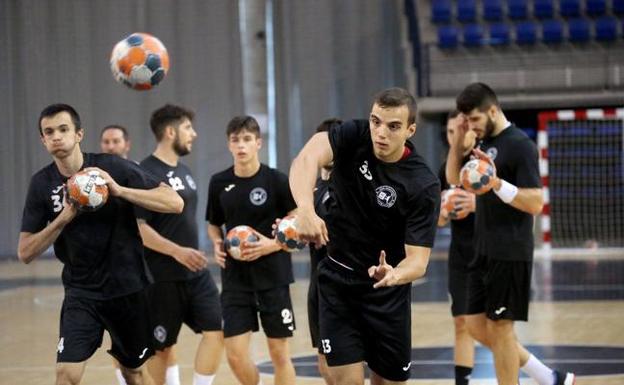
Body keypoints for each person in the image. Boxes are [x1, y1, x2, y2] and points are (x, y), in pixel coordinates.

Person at [18, 104, 184, 385]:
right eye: (49, 132)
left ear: (79, 134)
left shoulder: (111, 167)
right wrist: (62, 219)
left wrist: (120, 191)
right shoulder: (41, 184)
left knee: (134, 372)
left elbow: (174, 202)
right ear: (43, 141)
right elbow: (25, 252)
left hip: (127, 288)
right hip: (81, 292)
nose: (56, 136)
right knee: (66, 374)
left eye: (63, 129)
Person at [290, 87, 440, 385]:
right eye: (376, 121)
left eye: (393, 126)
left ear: (411, 129)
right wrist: (305, 209)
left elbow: (418, 262)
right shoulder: (353, 136)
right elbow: (306, 159)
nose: (380, 132)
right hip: (338, 284)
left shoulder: (422, 183)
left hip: (387, 292)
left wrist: (395, 274)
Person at [446, 82, 575, 385]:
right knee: (475, 326)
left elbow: (535, 202)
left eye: (475, 119)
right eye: (467, 121)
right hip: (483, 248)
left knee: (501, 329)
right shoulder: (480, 144)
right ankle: (547, 376)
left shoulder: (520, 145)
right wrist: (458, 143)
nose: (472, 126)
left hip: (510, 250)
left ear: (493, 110)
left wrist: (497, 184)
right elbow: (453, 178)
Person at [136, 104, 224, 385]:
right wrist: (177, 252)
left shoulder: (184, 170)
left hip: (195, 272)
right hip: (161, 276)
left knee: (216, 330)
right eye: (188, 127)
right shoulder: (144, 172)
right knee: (162, 349)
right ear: (170, 131)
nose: (194, 134)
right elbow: (138, 229)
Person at [206, 116, 297, 385]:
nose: (241, 145)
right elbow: (213, 223)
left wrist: (273, 244)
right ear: (229, 145)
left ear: (258, 143)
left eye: (247, 139)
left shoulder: (277, 180)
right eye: (236, 140)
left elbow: (296, 221)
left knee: (279, 353)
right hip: (236, 279)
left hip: (274, 276)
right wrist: (216, 242)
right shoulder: (219, 182)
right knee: (234, 354)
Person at [437, 110, 477, 385]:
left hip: (493, 253)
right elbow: (438, 221)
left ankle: (534, 374)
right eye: (450, 132)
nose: (455, 138)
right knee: (461, 323)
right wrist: (445, 209)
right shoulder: (446, 171)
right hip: (461, 257)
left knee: (495, 330)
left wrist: (478, 204)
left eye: (459, 131)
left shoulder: (486, 164)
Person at [307, 118, 342, 385]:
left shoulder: (352, 186)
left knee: (346, 369)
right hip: (319, 286)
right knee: (325, 366)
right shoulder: (314, 190)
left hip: (347, 287)